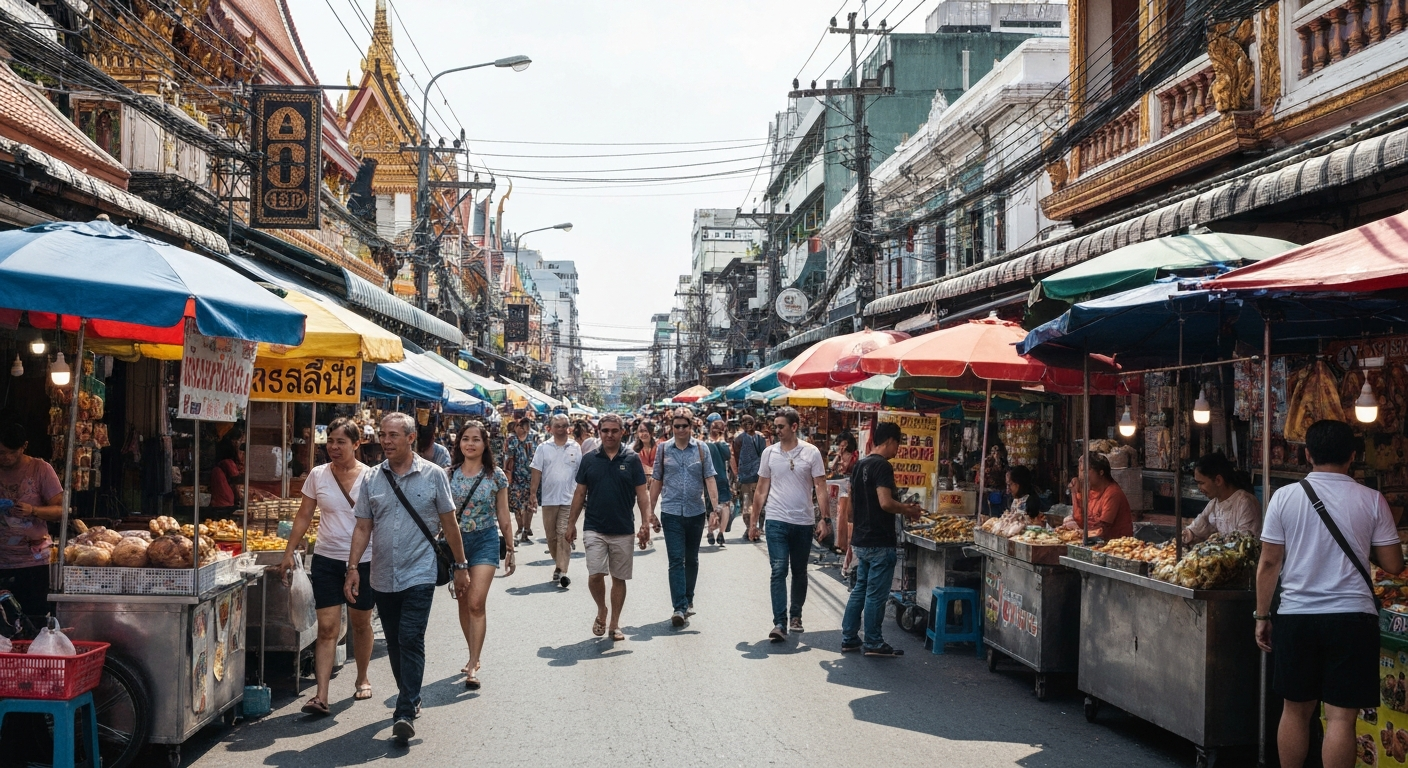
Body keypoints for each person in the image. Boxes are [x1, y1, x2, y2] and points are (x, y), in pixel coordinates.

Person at [1256, 420, 1404, 768]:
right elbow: (1394, 564)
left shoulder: (1284, 498)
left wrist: (1262, 616)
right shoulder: (1373, 500)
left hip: (1296, 616)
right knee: (1341, 718)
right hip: (1353, 618)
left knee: (1295, 710)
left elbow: (1268, 563)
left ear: (1307, 455)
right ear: (1353, 456)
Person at [344, 412, 470, 747]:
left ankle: (403, 711)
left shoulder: (433, 476)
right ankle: (410, 696)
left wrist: (461, 566)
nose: (385, 441)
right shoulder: (372, 478)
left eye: (393, 435)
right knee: (398, 640)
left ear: (411, 438)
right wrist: (353, 567)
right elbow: (362, 527)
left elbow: (450, 523)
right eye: (383, 435)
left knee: (411, 637)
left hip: (420, 571)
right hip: (383, 574)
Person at [276, 418, 375, 715]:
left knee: (360, 624)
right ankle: (321, 696)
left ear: (356, 444)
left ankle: (362, 677)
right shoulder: (318, 475)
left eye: (340, 442)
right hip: (327, 559)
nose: (333, 447)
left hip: (365, 560)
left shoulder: (371, 478)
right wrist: (289, 551)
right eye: (330, 441)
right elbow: (305, 515)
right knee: (328, 628)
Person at [566, 413, 651, 642]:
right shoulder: (589, 459)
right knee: (595, 574)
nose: (609, 435)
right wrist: (571, 523)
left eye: (614, 431)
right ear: (599, 432)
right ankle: (601, 609)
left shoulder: (632, 459)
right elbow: (580, 493)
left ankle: (614, 623)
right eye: (605, 431)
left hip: (623, 528)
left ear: (622, 432)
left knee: (618, 578)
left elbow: (642, 495)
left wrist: (645, 522)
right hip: (594, 526)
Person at [840, 421, 923, 657]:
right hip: (879, 539)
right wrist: (908, 510)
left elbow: (852, 506)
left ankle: (849, 637)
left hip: (862, 538)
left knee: (860, 589)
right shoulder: (882, 467)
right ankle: (874, 642)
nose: (898, 450)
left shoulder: (859, 465)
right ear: (890, 441)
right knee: (875, 593)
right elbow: (885, 502)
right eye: (898, 444)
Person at [749, 407, 829, 642]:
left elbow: (820, 487)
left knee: (799, 571)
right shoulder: (769, 454)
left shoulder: (811, 453)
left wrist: (825, 518)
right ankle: (779, 623)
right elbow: (761, 489)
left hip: (803, 522)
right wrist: (754, 522)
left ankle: (796, 615)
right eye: (776, 426)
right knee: (778, 569)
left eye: (781, 426)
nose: (777, 431)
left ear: (794, 427)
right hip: (776, 520)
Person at [448, 421, 515, 690]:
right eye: (466, 439)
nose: (471, 444)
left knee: (476, 602)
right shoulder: (448, 474)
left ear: (485, 444)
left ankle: (474, 663)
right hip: (457, 544)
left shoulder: (496, 475)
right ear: (459, 444)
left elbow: (503, 514)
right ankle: (471, 651)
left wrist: (510, 549)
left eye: (476, 439)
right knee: (463, 602)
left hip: (486, 540)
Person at [648, 409, 720, 627]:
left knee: (692, 559)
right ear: (672, 428)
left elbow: (710, 479)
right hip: (670, 513)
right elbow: (657, 481)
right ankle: (678, 607)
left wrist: (714, 510)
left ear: (691, 427)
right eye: (676, 426)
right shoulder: (663, 449)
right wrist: (650, 512)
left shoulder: (701, 448)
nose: (680, 430)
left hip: (695, 512)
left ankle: (688, 600)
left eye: (684, 426)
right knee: (676, 560)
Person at [0, 424, 63, 620]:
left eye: (10, 452)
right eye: (0, 453)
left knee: (32, 621)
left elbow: (61, 511)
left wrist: (34, 510)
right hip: (2, 561)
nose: (5, 458)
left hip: (33, 563)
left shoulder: (41, 469)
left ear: (24, 446)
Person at [530, 414, 582, 588]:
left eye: (564, 426)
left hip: (570, 499)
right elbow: (536, 472)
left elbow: (581, 474)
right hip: (549, 499)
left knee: (563, 534)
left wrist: (582, 496)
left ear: (569, 428)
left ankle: (562, 571)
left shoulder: (575, 447)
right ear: (550, 428)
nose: (561, 429)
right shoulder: (543, 448)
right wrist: (532, 495)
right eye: (557, 426)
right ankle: (558, 564)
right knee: (551, 537)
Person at [1183, 452, 1262, 543]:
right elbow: (1196, 528)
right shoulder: (1214, 503)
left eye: (1202, 483)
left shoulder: (1245, 503)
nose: (1199, 488)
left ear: (1218, 480)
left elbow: (1244, 545)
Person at [1062, 452, 1133, 540]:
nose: (1081, 477)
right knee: (1067, 521)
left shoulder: (1112, 493)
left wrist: (1079, 532)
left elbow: (1102, 530)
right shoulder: (1089, 490)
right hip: (1093, 539)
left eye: (1085, 471)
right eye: (1080, 471)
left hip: (1114, 543)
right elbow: (1080, 520)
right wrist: (1075, 492)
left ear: (1101, 472)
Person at [732, 414, 767, 543]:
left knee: (760, 504)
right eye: (743, 422)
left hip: (759, 477)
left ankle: (758, 528)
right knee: (747, 505)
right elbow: (735, 457)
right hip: (745, 477)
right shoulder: (739, 439)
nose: (746, 425)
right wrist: (737, 475)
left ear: (753, 424)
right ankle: (750, 528)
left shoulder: (760, 438)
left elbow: (765, 455)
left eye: (748, 422)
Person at [503, 417, 537, 544]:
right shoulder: (511, 439)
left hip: (531, 477)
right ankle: (520, 527)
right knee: (517, 505)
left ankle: (526, 529)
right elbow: (507, 457)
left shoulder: (533, 437)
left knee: (530, 504)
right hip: (515, 477)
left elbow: (538, 456)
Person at [705, 419, 733, 547]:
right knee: (725, 506)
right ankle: (721, 533)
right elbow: (728, 457)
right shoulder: (723, 444)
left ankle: (710, 531)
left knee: (711, 507)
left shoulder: (705, 445)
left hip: (708, 479)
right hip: (722, 478)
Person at [208, 437, 244, 519]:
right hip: (225, 500)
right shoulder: (228, 462)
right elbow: (236, 479)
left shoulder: (217, 467)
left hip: (216, 501)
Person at [633, 419, 658, 484]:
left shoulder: (659, 448)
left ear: (651, 432)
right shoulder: (634, 451)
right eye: (641, 431)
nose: (643, 434)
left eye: (645, 431)